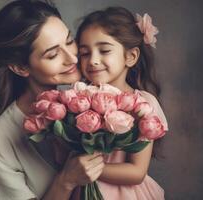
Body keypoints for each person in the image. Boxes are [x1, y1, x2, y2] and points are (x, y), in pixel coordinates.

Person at [0, 1, 104, 199]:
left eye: (69, 41)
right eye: (53, 54)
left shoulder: (97, 98)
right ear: (20, 68)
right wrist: (66, 181)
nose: (73, 58)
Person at [75, 6, 169, 199]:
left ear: (130, 56)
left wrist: (84, 168)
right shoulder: (78, 99)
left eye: (104, 50)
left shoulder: (143, 103)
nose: (93, 60)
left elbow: (136, 172)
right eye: (85, 53)